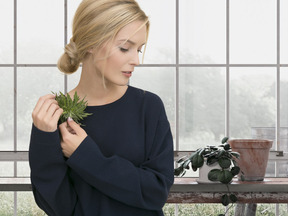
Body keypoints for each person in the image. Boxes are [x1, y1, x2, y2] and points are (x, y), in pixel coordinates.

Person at [29, 0, 174, 215]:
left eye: (139, 49)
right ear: (91, 43)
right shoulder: (54, 116)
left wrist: (86, 156)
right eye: (125, 48)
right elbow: (58, 207)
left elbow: (155, 193)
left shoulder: (149, 107)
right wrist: (43, 137)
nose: (136, 60)